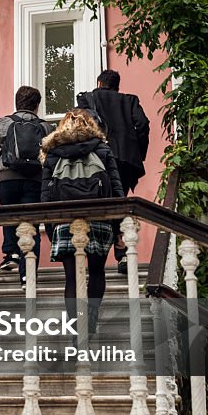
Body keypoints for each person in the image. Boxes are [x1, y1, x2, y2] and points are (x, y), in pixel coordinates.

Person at [40, 109, 125, 334]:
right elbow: (116, 190)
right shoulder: (103, 149)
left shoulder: (53, 154)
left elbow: (45, 196)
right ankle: (92, 319)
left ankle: (76, 327)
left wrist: (51, 227)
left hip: (65, 220)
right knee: (97, 271)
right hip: (99, 217)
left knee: (71, 279)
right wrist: (119, 227)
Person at [0, 86, 54, 286]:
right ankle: (27, 275)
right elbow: (53, 160)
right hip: (35, 179)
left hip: (7, 177)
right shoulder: (46, 127)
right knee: (30, 224)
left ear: (16, 103)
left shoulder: (3, 123)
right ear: (37, 106)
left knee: (9, 215)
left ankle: (11, 253)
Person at [75, 69, 149, 274]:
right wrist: (137, 151)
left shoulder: (87, 99)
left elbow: (78, 127)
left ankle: (95, 257)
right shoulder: (130, 101)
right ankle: (122, 252)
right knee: (119, 201)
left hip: (96, 159)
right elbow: (143, 125)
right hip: (125, 159)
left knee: (96, 205)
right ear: (117, 85)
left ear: (99, 83)